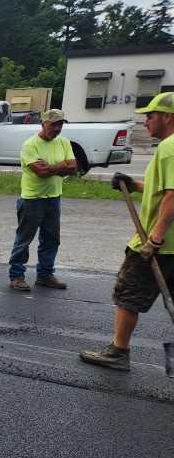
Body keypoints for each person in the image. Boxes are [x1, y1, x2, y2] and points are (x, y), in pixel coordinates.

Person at [80, 92, 174, 371]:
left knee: (128, 293)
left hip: (159, 244)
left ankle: (118, 352)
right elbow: (161, 188)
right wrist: (134, 185)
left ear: (167, 117)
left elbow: (172, 197)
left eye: (150, 115)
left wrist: (155, 240)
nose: (145, 121)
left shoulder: (170, 147)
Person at [7, 108, 77, 291]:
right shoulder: (31, 145)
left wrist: (54, 167)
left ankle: (45, 275)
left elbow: (73, 168)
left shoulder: (64, 142)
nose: (57, 128)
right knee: (24, 239)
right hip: (32, 200)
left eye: (60, 124)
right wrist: (61, 165)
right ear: (43, 124)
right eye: (53, 124)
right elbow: (41, 173)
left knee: (51, 239)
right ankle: (16, 276)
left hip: (54, 198)